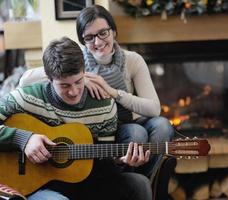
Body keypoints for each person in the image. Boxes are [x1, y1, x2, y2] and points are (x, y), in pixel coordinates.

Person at [19, 4, 174, 177]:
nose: (98, 42)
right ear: (82, 40)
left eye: (103, 33)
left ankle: (147, 180)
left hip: (130, 120)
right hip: (102, 127)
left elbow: (154, 109)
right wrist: (82, 77)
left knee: (162, 125)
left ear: (113, 31)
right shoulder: (77, 64)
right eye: (89, 37)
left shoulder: (132, 60)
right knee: (136, 134)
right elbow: (27, 79)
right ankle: (126, 181)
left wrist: (112, 92)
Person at [0, 37, 152, 200]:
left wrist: (121, 161)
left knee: (139, 184)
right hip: (35, 185)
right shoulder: (25, 98)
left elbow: (104, 166)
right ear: (49, 79)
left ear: (84, 72)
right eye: (64, 85)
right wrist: (24, 139)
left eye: (78, 81)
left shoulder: (105, 106)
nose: (74, 92)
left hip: (83, 181)